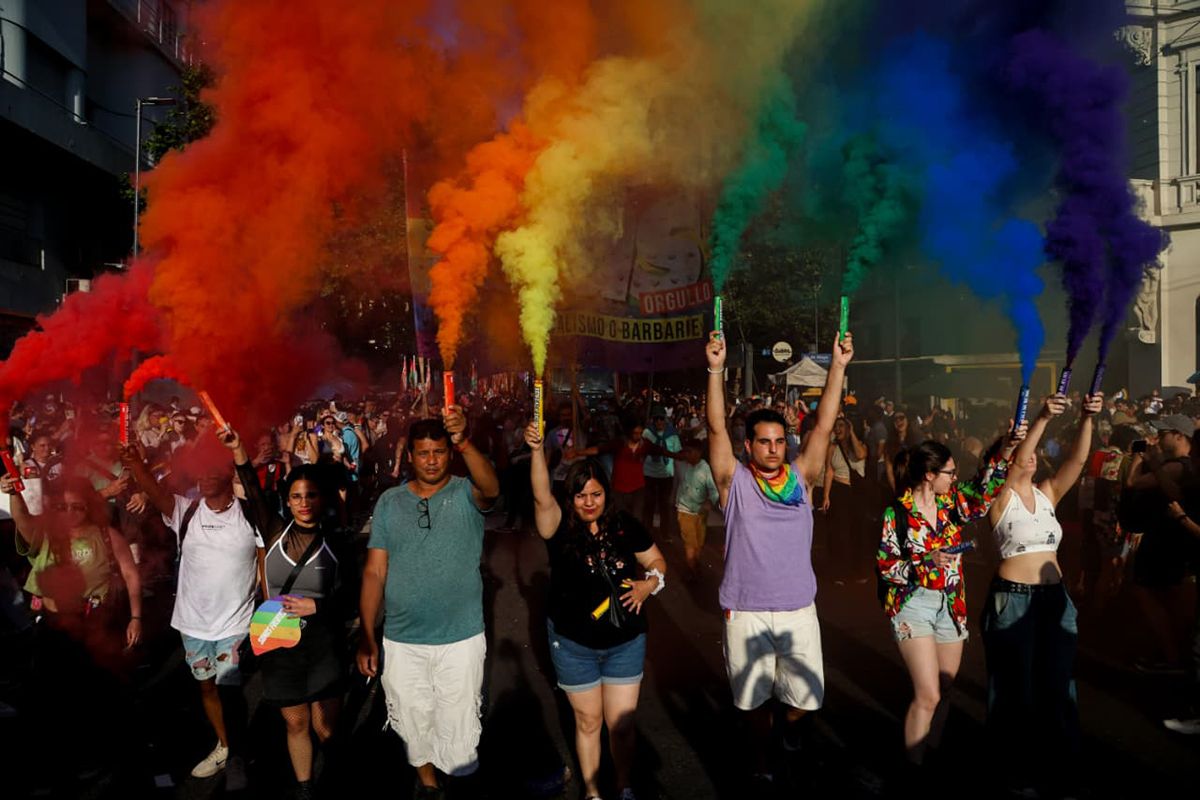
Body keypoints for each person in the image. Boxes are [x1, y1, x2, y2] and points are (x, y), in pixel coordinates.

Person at [704, 329, 853, 784]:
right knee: (752, 702)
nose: (773, 447)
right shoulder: (734, 481)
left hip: (797, 608)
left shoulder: (802, 478)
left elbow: (824, 426)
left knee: (803, 701)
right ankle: (762, 762)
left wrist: (839, 367)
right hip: (744, 610)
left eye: (779, 440)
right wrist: (715, 369)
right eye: (763, 441)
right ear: (748, 445)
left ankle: (787, 737)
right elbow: (714, 428)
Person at [356, 410, 500, 798]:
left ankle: (461, 782)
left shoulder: (466, 492)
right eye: (423, 453)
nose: (432, 460)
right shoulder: (390, 502)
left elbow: (492, 487)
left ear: (449, 454)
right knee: (413, 721)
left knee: (459, 723)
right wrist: (367, 634)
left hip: (461, 638)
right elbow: (374, 571)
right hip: (402, 640)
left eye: (439, 451)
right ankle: (429, 786)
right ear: (412, 456)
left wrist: (465, 440)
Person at [525, 423, 667, 800]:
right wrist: (538, 450)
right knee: (588, 721)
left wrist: (649, 584)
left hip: (626, 641)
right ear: (569, 498)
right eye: (580, 495)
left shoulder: (624, 526)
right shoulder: (558, 528)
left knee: (620, 725)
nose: (589, 502)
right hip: (574, 643)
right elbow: (541, 496)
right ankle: (592, 792)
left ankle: (622, 786)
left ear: (606, 493)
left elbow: (656, 561)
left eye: (596, 494)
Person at [877, 421, 1024, 770]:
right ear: (929, 475)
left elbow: (986, 487)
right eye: (949, 473)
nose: (955, 479)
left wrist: (1006, 445)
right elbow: (886, 568)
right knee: (927, 694)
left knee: (946, 690)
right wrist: (924, 562)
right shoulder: (897, 514)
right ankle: (911, 768)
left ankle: (931, 753)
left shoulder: (953, 504)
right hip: (912, 605)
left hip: (950, 606)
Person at [223, 426, 352, 799]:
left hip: (324, 645)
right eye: (296, 496)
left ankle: (339, 777)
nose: (304, 502)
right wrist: (238, 449)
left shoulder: (338, 543)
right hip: (280, 642)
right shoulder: (275, 530)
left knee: (325, 726)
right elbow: (251, 487)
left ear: (322, 498)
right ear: (288, 500)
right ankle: (305, 788)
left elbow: (356, 596)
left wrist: (319, 605)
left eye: (311, 495)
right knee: (295, 722)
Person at [981, 392, 1101, 795]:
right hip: (1013, 599)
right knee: (1014, 691)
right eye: (1018, 452)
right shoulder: (1001, 498)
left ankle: (1064, 769)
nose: (1029, 457)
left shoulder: (1048, 493)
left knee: (1059, 686)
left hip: (1055, 601)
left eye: (1031, 451)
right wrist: (1042, 418)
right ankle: (1013, 773)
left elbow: (1078, 462)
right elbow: (1016, 462)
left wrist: (1087, 418)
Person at [124, 434, 256, 789]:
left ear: (228, 473)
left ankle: (238, 757)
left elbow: (263, 558)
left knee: (230, 688)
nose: (207, 476)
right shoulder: (187, 510)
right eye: (202, 471)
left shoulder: (248, 515)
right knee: (207, 686)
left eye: (215, 469)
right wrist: (136, 463)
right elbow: (154, 492)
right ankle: (225, 745)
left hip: (235, 623)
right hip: (193, 623)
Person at [1124, 413, 1200, 733]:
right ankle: (1174, 656)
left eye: (1164, 433)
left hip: (1170, 545)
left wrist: (1140, 458)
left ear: (1180, 436)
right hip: (1176, 545)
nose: (1159, 437)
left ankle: (1172, 658)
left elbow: (1132, 483)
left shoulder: (1175, 467)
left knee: (1157, 595)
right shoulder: (1185, 467)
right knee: (1175, 602)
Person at [822, 416, 869, 584]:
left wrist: (853, 433)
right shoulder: (832, 447)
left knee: (858, 531)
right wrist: (826, 496)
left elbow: (861, 454)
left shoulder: (859, 445)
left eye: (842, 426)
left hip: (856, 492)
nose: (838, 429)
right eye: (836, 426)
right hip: (839, 490)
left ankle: (858, 571)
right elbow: (829, 471)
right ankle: (839, 572)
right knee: (840, 533)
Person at [675, 438, 719, 576]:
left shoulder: (706, 469)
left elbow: (714, 491)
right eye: (685, 451)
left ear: (699, 452)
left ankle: (694, 565)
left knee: (699, 542)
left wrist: (710, 503)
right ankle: (692, 569)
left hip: (701, 512)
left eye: (690, 452)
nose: (687, 455)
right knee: (690, 543)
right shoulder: (682, 464)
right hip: (684, 510)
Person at [642, 408, 682, 539]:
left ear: (666, 420)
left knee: (665, 504)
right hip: (649, 473)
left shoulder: (673, 435)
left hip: (666, 474)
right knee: (649, 503)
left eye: (661, 419)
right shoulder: (647, 433)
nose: (659, 422)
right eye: (656, 419)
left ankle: (665, 532)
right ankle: (647, 531)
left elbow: (677, 453)